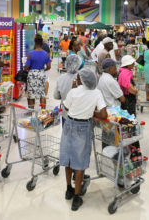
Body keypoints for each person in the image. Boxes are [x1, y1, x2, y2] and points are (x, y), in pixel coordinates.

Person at [60, 68, 107, 211]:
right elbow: (104, 114)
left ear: (82, 80)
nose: (76, 79)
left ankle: (68, 189)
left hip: (69, 125)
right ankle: (76, 197)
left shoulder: (74, 91)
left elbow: (66, 107)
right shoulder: (97, 93)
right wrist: (92, 110)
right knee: (79, 163)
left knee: (68, 159)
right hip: (83, 127)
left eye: (78, 77)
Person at [54, 55, 82, 124]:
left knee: (66, 133)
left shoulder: (61, 78)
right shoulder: (82, 78)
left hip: (65, 113)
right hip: (79, 114)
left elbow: (56, 96)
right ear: (79, 64)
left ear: (66, 64)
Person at [25, 36, 51, 109]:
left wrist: (28, 67)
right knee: (42, 94)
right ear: (42, 43)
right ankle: (43, 112)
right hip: (41, 74)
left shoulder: (31, 54)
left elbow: (27, 67)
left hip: (32, 74)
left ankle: (31, 112)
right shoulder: (46, 54)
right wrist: (43, 70)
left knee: (31, 95)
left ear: (35, 43)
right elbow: (49, 66)